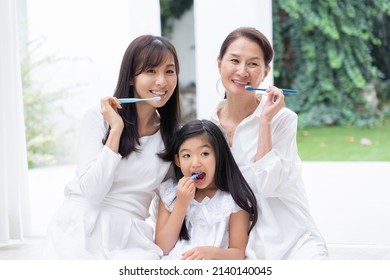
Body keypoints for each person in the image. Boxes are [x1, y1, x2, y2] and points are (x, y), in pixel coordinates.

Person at [42, 34, 181, 259]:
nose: (162, 82)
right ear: (130, 78)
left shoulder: (173, 136)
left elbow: (170, 202)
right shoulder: (98, 119)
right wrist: (116, 129)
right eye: (150, 71)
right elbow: (93, 193)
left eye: (169, 71)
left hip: (131, 237)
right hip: (80, 228)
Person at [210, 27, 328, 259]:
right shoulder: (209, 127)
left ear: (265, 73)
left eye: (253, 64)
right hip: (242, 247)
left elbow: (269, 185)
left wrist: (265, 121)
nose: (242, 71)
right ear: (219, 64)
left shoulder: (282, 119)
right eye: (234, 60)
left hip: (292, 241)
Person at [155, 119, 258, 260]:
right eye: (187, 156)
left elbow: (238, 253)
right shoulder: (170, 193)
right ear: (178, 160)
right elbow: (162, 248)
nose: (195, 163)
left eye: (204, 154)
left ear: (219, 155)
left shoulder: (233, 200)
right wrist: (181, 203)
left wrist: (210, 253)